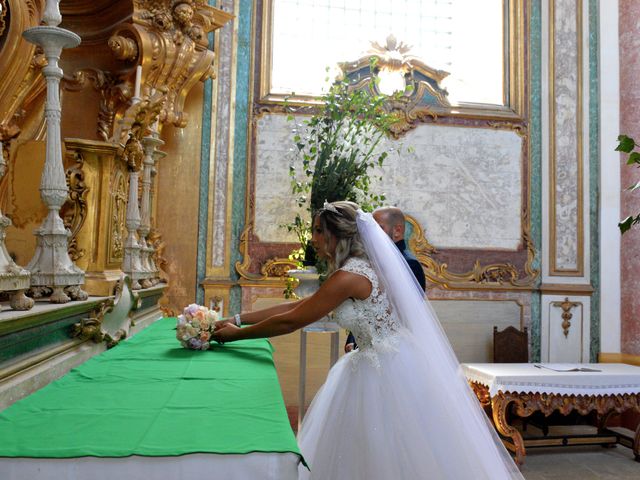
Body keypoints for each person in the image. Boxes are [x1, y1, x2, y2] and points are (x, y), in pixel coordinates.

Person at [213, 201, 523, 479]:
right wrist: (237, 319)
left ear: (337, 236)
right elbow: (297, 306)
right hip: (389, 357)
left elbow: (293, 319)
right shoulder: (356, 271)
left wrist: (236, 337)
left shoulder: (348, 276)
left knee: (390, 448)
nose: (314, 239)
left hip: (384, 367)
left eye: (319, 231)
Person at [345, 206, 426, 353]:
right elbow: (367, 305)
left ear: (397, 231)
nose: (371, 234)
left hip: (393, 351)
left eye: (378, 228)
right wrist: (353, 339)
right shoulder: (372, 262)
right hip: (366, 349)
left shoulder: (410, 265)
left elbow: (404, 316)